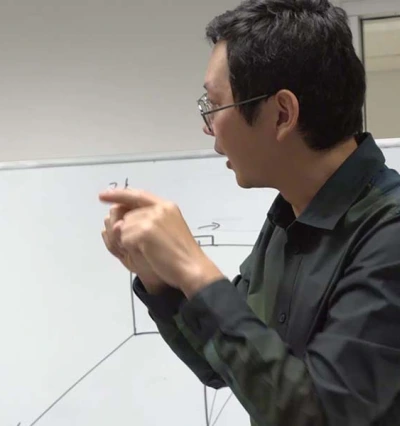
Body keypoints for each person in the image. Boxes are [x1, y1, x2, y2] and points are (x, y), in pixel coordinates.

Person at [100, 0, 400, 425]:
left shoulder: (389, 234)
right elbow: (225, 365)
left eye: (214, 104)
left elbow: (320, 416)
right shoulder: (288, 219)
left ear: (282, 114)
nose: (208, 125)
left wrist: (193, 268)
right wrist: (156, 275)